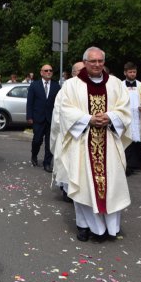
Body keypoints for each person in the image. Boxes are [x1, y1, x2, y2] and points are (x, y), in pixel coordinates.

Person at [55, 47, 131, 242]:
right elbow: (65, 109)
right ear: (85, 62)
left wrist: (111, 117)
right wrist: (87, 119)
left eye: (100, 61)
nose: (97, 65)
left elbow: (124, 108)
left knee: (111, 185)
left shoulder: (115, 84)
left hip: (108, 143)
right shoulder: (72, 85)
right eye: (92, 61)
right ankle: (84, 226)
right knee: (84, 187)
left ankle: (110, 228)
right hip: (82, 143)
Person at [51, 61, 84, 202]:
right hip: (68, 133)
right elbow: (59, 112)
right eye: (78, 71)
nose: (82, 73)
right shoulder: (66, 88)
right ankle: (67, 190)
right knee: (67, 163)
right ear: (73, 73)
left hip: (86, 133)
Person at [26, 64, 61, 173]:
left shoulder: (56, 86)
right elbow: (30, 102)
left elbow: (59, 103)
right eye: (46, 70)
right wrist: (29, 116)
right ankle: (34, 155)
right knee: (37, 140)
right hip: (38, 118)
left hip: (51, 119)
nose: (48, 72)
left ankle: (47, 163)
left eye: (50, 70)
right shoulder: (34, 85)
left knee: (49, 142)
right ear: (41, 72)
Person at [123, 62, 141, 175]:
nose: (132, 74)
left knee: (136, 141)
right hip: (125, 117)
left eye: (134, 72)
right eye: (130, 72)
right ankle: (125, 165)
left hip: (136, 118)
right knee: (126, 140)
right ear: (125, 72)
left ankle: (135, 165)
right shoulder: (120, 85)